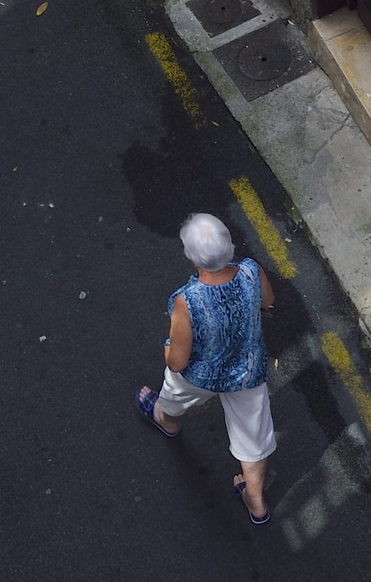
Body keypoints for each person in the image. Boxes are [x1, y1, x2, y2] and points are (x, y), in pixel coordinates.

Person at [136, 213, 277, 525]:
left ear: (191, 256)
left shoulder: (188, 301)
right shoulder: (252, 271)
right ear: (229, 245)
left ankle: (166, 421)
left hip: (203, 375)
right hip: (248, 371)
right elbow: (268, 302)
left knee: (173, 395)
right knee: (254, 438)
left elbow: (178, 361)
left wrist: (166, 347)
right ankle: (255, 502)